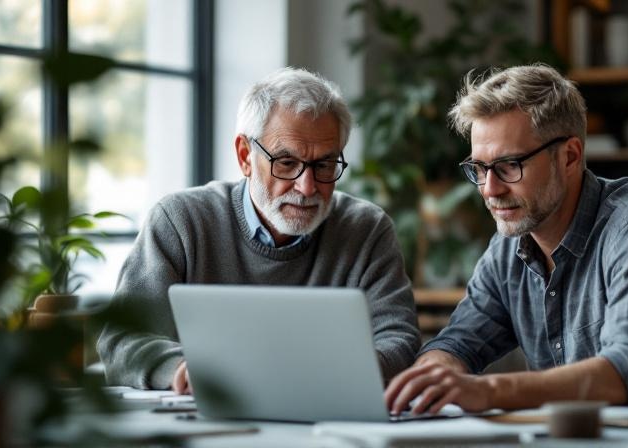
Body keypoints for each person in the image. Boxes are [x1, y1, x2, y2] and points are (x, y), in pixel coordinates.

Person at [385, 64, 628, 415]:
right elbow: (458, 343)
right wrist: (434, 376)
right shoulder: (509, 247)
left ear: (569, 156)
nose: (490, 189)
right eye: (479, 169)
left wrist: (488, 390)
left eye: (509, 165)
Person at [98, 67, 420, 393]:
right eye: (286, 163)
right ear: (245, 157)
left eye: (324, 165)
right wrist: (182, 368)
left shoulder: (366, 229)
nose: (307, 187)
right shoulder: (179, 222)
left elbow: (400, 339)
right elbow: (121, 339)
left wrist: (333, 373)